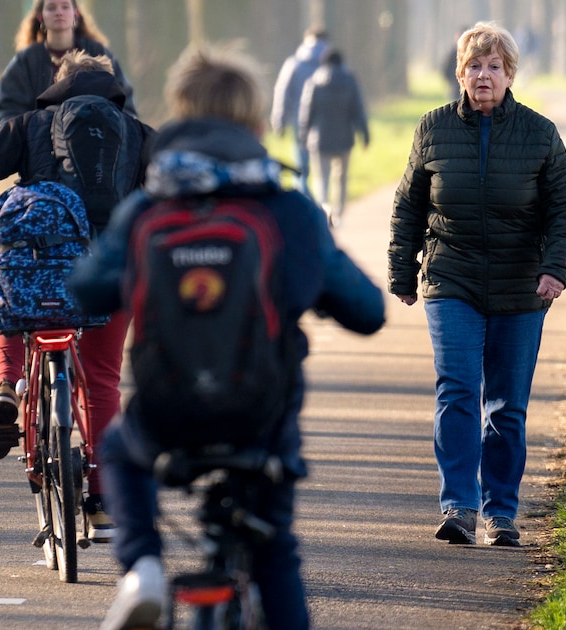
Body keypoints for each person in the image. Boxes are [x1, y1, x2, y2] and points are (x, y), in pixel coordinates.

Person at [70, 43, 385, 630]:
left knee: (117, 449)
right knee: (274, 551)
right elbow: (367, 312)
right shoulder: (287, 210)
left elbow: (85, 291)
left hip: (168, 414)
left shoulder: (147, 208)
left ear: (181, 115)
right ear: (256, 122)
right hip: (259, 421)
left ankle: (143, 568)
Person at [0, 51, 151, 541]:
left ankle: (5, 388)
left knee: (9, 297)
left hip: (46, 266)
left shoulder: (32, 126)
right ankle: (104, 501)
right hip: (111, 273)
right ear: (112, 91)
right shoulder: (136, 133)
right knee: (103, 380)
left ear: (57, 87)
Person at [389, 22, 566, 548]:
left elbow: (565, 205)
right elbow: (408, 206)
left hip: (522, 286)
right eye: (473, 66)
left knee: (506, 404)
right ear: (459, 73)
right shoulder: (432, 129)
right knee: (456, 389)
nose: (483, 75)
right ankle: (458, 506)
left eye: (493, 67)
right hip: (451, 276)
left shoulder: (539, 133)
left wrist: (554, 267)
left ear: (509, 74)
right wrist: (402, 272)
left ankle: (500, 512)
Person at [0, 0, 137, 127]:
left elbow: (125, 101)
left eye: (65, 7)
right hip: (40, 147)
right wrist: (27, 135)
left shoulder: (97, 53)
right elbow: (5, 109)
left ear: (76, 14)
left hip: (96, 142)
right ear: (40, 16)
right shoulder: (26, 61)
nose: (59, 12)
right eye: (51, 7)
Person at [298, 47, 369, 227]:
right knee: (341, 178)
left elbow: (306, 112)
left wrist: (303, 136)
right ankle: (339, 214)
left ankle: (324, 210)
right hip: (344, 139)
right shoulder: (350, 81)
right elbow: (358, 110)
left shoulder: (313, 82)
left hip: (319, 139)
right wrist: (365, 134)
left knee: (321, 179)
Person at [270, 26, 329, 193]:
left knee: (301, 167)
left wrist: (279, 121)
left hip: (299, 121)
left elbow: (282, 92)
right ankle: (324, 205)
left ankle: (305, 201)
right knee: (324, 170)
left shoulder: (294, 63)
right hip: (327, 122)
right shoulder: (332, 63)